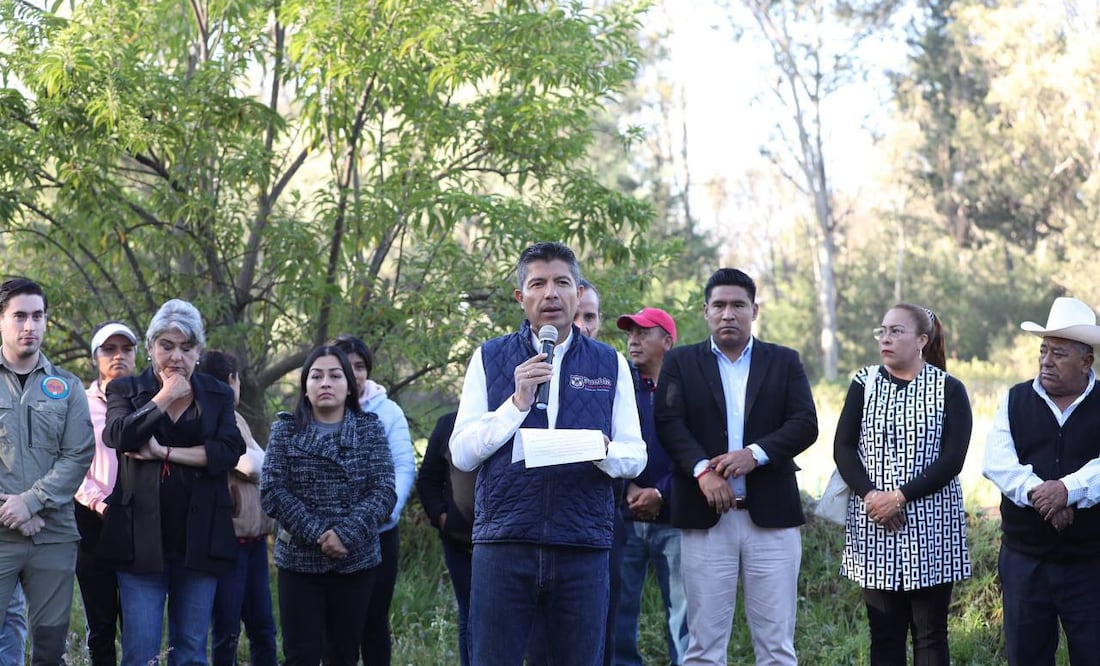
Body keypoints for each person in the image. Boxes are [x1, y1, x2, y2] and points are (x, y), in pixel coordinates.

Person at [450, 241, 646, 666]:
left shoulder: (610, 363)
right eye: (538, 284)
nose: (551, 293)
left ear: (579, 293)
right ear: (521, 297)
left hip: (582, 546)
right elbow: (462, 453)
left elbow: (635, 455)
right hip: (504, 543)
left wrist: (601, 450)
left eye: (562, 282)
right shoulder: (489, 357)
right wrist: (516, 403)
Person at [654, 268, 817, 666]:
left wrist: (755, 454)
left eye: (738, 305)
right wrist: (702, 471)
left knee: (777, 647)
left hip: (772, 520)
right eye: (719, 305)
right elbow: (669, 423)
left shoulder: (784, 361)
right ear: (705, 311)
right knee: (703, 649)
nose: (728, 314)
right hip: (706, 520)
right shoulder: (680, 362)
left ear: (754, 310)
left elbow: (804, 423)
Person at [101, 299, 245, 666]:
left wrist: (164, 452)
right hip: (140, 542)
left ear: (199, 351)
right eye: (167, 346)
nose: (177, 356)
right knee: (140, 654)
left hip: (200, 540)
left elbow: (230, 450)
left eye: (186, 347)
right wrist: (165, 396)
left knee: (192, 653)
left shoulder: (217, 393)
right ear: (150, 347)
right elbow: (119, 435)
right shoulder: (125, 389)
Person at [833, 304, 972, 665]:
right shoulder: (864, 383)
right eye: (882, 331)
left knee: (930, 635)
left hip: (931, 526)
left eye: (896, 331)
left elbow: (953, 459)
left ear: (922, 340)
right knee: (884, 635)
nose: (886, 339)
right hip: (874, 523)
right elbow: (843, 447)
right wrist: (872, 496)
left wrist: (899, 497)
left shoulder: (948, 389)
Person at [982, 296, 1100, 665]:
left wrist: (1069, 490)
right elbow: (997, 461)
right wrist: (1043, 495)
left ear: (1086, 362)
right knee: (1026, 657)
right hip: (1025, 561)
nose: (1046, 361)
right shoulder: (1015, 399)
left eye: (1059, 353)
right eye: (1044, 351)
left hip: (1091, 563)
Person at [261, 345, 396, 666]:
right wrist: (320, 533)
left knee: (343, 655)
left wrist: (345, 534)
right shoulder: (285, 430)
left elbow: (384, 491)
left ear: (349, 386)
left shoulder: (370, 429)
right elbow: (272, 490)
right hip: (300, 563)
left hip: (355, 561)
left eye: (335, 376)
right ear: (305, 387)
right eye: (316, 376)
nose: (325, 383)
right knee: (301, 656)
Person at [0, 277, 95, 665]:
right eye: (20, 316)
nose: (30, 326)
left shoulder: (67, 386)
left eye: (37, 316)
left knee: (49, 647)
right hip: (1, 531)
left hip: (52, 533)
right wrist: (13, 510)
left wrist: (32, 502)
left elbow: (78, 454)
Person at [329, 334, 415, 666]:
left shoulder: (387, 411)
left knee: (373, 621)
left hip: (379, 533)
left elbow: (403, 466)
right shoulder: (319, 408)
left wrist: (386, 511)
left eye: (360, 366)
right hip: (329, 538)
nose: (354, 374)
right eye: (346, 366)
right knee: (336, 626)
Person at [613, 307, 689, 666]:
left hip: (675, 518)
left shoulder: (687, 388)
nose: (633, 340)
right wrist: (628, 488)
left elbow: (696, 450)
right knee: (618, 609)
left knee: (684, 615)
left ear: (667, 341)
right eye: (631, 333)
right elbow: (605, 441)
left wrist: (661, 492)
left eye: (644, 333)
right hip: (625, 516)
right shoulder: (619, 386)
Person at [196, 350, 277, 666]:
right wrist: (269, 462)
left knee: (262, 626)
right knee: (227, 629)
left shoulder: (236, 417)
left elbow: (260, 462)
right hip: (231, 540)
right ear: (232, 380)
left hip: (253, 538)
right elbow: (251, 465)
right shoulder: (213, 416)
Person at [75, 321, 138, 666]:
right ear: (95, 357)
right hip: (92, 522)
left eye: (126, 349)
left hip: (140, 522)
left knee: (138, 623)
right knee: (100, 627)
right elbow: (70, 464)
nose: (118, 356)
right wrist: (98, 502)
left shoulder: (148, 399)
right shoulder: (78, 404)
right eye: (109, 349)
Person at [415, 411, 476, 666]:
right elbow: (428, 479)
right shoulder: (449, 424)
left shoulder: (517, 418)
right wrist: (442, 517)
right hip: (459, 541)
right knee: (470, 613)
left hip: (509, 542)